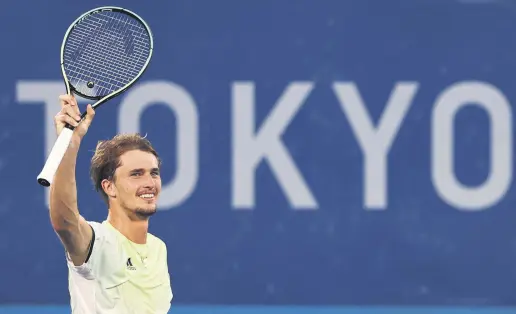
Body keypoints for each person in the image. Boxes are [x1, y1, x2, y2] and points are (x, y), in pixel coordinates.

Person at [49, 94, 173, 313]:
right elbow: (64, 221)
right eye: (136, 174)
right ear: (109, 187)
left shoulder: (158, 249)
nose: (149, 183)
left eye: (153, 173)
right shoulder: (97, 243)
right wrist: (70, 144)